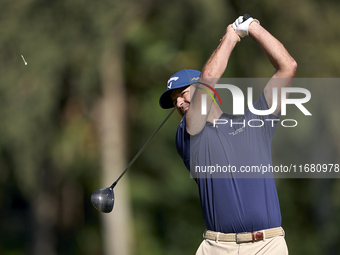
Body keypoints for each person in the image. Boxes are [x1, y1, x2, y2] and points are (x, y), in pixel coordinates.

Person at [159, 15, 297, 255]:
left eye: (182, 93)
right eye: (174, 101)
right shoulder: (188, 137)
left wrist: (253, 28)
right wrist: (231, 35)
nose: (179, 103)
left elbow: (287, 67)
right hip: (217, 247)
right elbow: (208, 78)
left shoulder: (255, 121)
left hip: (268, 245)